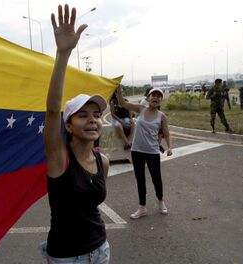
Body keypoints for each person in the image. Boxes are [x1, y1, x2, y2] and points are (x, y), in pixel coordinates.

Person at [43, 5, 110, 263]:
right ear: (68, 125)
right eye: (82, 115)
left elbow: (90, 207)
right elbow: (51, 111)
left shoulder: (102, 161)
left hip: (100, 249)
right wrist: (63, 53)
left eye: (95, 114)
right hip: (67, 257)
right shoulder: (60, 158)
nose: (92, 119)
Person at [116, 86, 173, 219]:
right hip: (137, 151)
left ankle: (161, 202)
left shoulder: (161, 116)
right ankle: (142, 208)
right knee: (140, 179)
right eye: (153, 95)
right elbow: (123, 103)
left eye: (159, 96)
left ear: (161, 100)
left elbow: (167, 133)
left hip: (152, 152)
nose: (156, 97)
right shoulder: (140, 109)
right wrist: (119, 92)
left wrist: (170, 147)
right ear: (148, 98)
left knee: (156, 179)